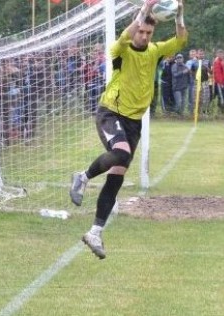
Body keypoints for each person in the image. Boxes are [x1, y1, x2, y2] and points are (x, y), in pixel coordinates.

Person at [69, 0, 187, 259]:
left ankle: (95, 233)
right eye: (141, 31)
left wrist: (179, 14)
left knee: (117, 177)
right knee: (121, 154)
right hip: (111, 113)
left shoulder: (155, 50)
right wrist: (145, 10)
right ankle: (83, 177)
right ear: (135, 29)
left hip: (133, 122)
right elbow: (124, 36)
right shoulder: (121, 49)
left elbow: (179, 41)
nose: (144, 36)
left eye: (148, 33)